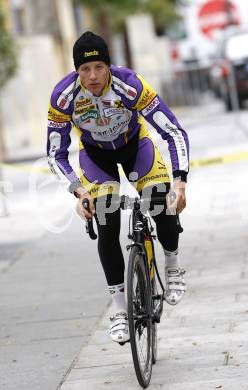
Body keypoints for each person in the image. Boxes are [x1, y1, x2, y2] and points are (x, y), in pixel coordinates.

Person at [47, 31, 189, 344]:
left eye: (98, 66)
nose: (93, 75)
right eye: (85, 69)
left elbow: (173, 132)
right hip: (96, 157)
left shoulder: (130, 85)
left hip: (135, 146)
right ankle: (119, 310)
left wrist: (180, 180)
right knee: (106, 222)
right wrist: (77, 190)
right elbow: (54, 153)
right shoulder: (63, 97)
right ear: (76, 71)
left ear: (108, 66)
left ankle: (173, 264)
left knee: (160, 203)